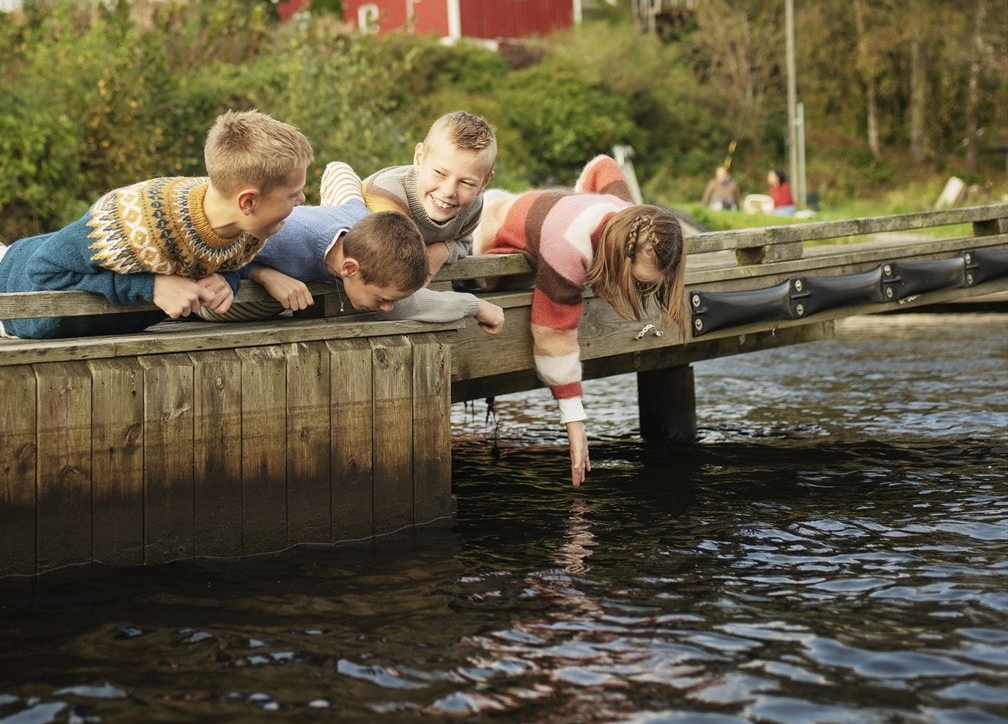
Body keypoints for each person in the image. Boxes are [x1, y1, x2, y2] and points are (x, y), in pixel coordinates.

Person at [0, 110, 313, 338]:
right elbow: (49, 271)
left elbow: (227, 261)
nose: (301, 201)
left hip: (19, 263)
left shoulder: (249, 230)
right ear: (248, 199)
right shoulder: (137, 218)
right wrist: (150, 285)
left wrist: (225, 282)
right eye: (293, 195)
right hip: (10, 300)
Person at [474, 153, 686, 488]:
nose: (639, 289)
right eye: (638, 281)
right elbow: (552, 332)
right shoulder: (568, 246)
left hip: (508, 202)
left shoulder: (628, 215)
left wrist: (579, 199)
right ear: (621, 253)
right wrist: (575, 423)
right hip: (481, 231)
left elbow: (603, 165)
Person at [309, 109, 504, 331]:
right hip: (360, 228)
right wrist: (474, 306)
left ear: (485, 182)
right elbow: (397, 302)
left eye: (467, 183)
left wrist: (444, 249)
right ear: (419, 158)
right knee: (342, 183)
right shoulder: (387, 201)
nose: (449, 191)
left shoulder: (471, 208)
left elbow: (464, 242)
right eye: (440, 173)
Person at [241, 190, 506, 332]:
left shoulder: (365, 224)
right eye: (382, 300)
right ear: (349, 268)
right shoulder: (284, 234)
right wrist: (262, 273)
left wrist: (474, 306)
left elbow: (407, 306)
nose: (388, 308)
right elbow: (216, 239)